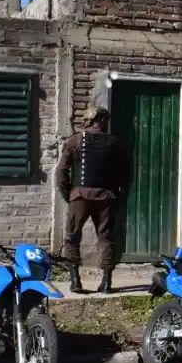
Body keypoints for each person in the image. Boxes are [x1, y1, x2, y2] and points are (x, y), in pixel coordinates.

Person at [56, 105, 130, 294]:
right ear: (101, 120)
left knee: (73, 237)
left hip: (79, 196)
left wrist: (68, 194)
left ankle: (75, 281)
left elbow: (61, 171)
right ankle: (106, 282)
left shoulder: (74, 141)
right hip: (106, 197)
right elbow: (125, 174)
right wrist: (118, 195)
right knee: (106, 238)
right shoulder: (115, 143)